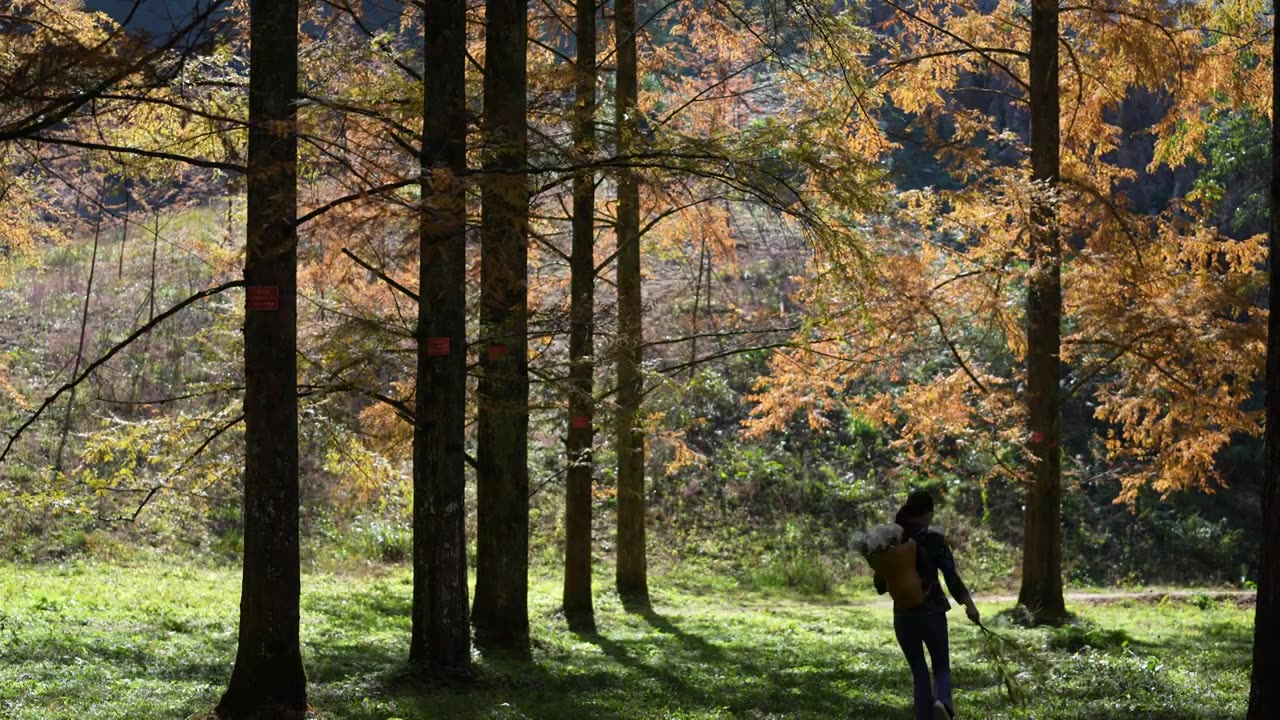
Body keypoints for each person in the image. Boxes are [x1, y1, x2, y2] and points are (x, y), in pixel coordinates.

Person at [873, 491, 980, 720]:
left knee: (919, 671)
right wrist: (969, 605)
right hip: (932, 612)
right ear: (928, 513)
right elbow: (951, 577)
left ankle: (923, 716)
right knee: (941, 666)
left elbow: (880, 585)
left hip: (903, 615)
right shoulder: (934, 540)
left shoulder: (892, 541)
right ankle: (943, 706)